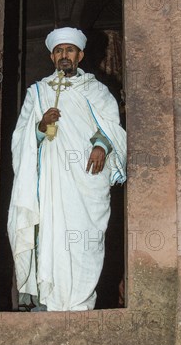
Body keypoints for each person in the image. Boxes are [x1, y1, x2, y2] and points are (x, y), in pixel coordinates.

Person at [8, 27, 126, 311]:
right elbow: (20, 137)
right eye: (59, 50)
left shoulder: (97, 90)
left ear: (80, 55)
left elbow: (112, 126)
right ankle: (51, 300)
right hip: (50, 180)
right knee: (52, 235)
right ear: (52, 56)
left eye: (70, 50)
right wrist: (40, 125)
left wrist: (102, 145)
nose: (64, 55)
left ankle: (81, 302)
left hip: (87, 177)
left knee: (85, 237)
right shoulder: (37, 93)